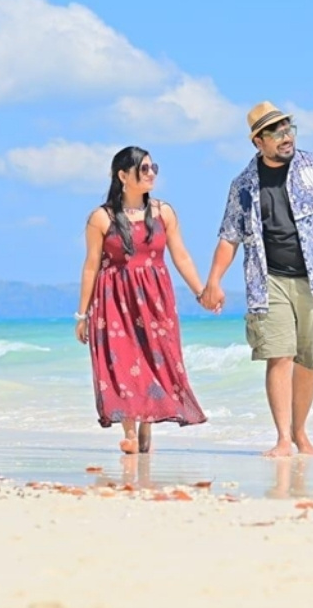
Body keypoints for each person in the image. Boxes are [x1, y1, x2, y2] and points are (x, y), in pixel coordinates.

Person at [200, 102, 313, 457]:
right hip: (268, 279)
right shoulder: (243, 185)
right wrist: (214, 281)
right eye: (277, 133)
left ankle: (301, 433)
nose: (286, 138)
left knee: (309, 359)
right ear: (258, 141)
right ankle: (283, 439)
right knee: (279, 355)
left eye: (289, 130)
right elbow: (229, 237)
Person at [75, 146, 212, 454]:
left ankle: (146, 425)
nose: (151, 174)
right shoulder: (101, 218)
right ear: (123, 176)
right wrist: (82, 315)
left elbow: (181, 256)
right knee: (122, 362)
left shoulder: (164, 212)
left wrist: (200, 291)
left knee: (155, 358)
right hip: (113, 300)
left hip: (154, 299)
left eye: (153, 168)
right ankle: (129, 431)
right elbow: (91, 266)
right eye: (144, 169)